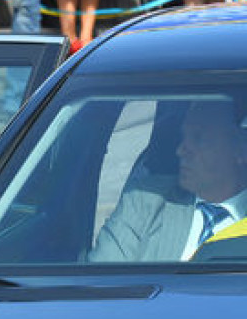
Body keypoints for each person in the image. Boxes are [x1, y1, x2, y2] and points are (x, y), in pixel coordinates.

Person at [92, 100, 247, 262]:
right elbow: (99, 281)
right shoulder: (145, 201)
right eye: (183, 137)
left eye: (198, 138)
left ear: (241, 149)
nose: (180, 151)